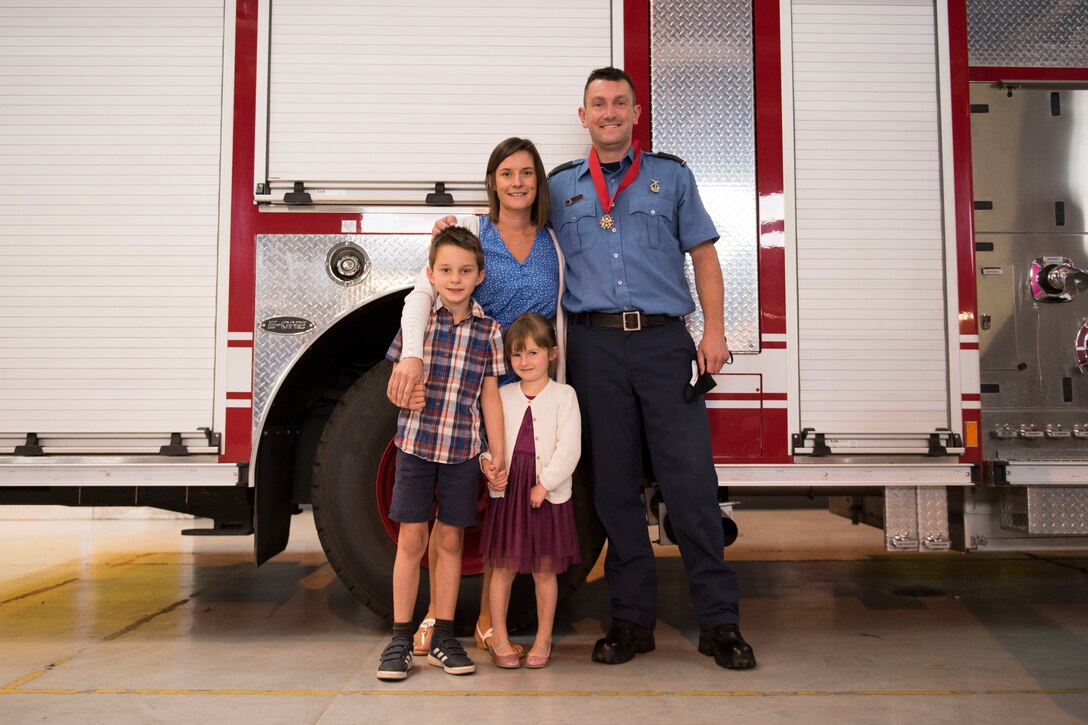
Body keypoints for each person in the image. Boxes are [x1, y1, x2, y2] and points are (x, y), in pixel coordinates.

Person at [546, 66, 756, 670]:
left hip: (666, 346)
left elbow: (705, 256)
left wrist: (713, 331)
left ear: (636, 114)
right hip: (595, 351)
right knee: (613, 491)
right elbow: (516, 232)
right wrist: (452, 228)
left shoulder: (672, 176)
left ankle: (721, 624)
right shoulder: (561, 188)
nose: (609, 112)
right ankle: (631, 622)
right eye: (597, 104)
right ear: (582, 116)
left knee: (690, 488)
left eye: (620, 103)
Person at [387, 137, 566, 660]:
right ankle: (429, 619)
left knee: (505, 504)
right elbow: (424, 295)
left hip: (525, 388)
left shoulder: (552, 242)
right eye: (507, 173)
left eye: (527, 174)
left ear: (538, 183)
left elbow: (559, 320)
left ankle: (490, 620)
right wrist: (412, 355)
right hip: (472, 384)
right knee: (438, 518)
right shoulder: (470, 234)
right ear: (492, 181)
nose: (517, 183)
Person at [376, 226, 507, 681]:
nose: (455, 279)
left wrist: (497, 453)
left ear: (480, 276)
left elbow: (490, 397)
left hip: (463, 452)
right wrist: (403, 397)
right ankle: (398, 639)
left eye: (465, 271)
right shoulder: (417, 326)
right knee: (412, 541)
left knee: (450, 541)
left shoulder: (490, 331)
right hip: (415, 449)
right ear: (431, 274)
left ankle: (444, 638)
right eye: (446, 270)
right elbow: (396, 385)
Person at [478, 313, 581, 670]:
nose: (525, 362)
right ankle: (500, 638)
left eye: (534, 353)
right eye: (517, 355)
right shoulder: (503, 395)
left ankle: (543, 638)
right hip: (509, 492)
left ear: (552, 353)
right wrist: (489, 467)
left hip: (543, 492)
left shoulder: (564, 396)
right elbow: (488, 440)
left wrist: (545, 484)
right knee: (502, 568)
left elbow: (570, 448)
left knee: (544, 571)